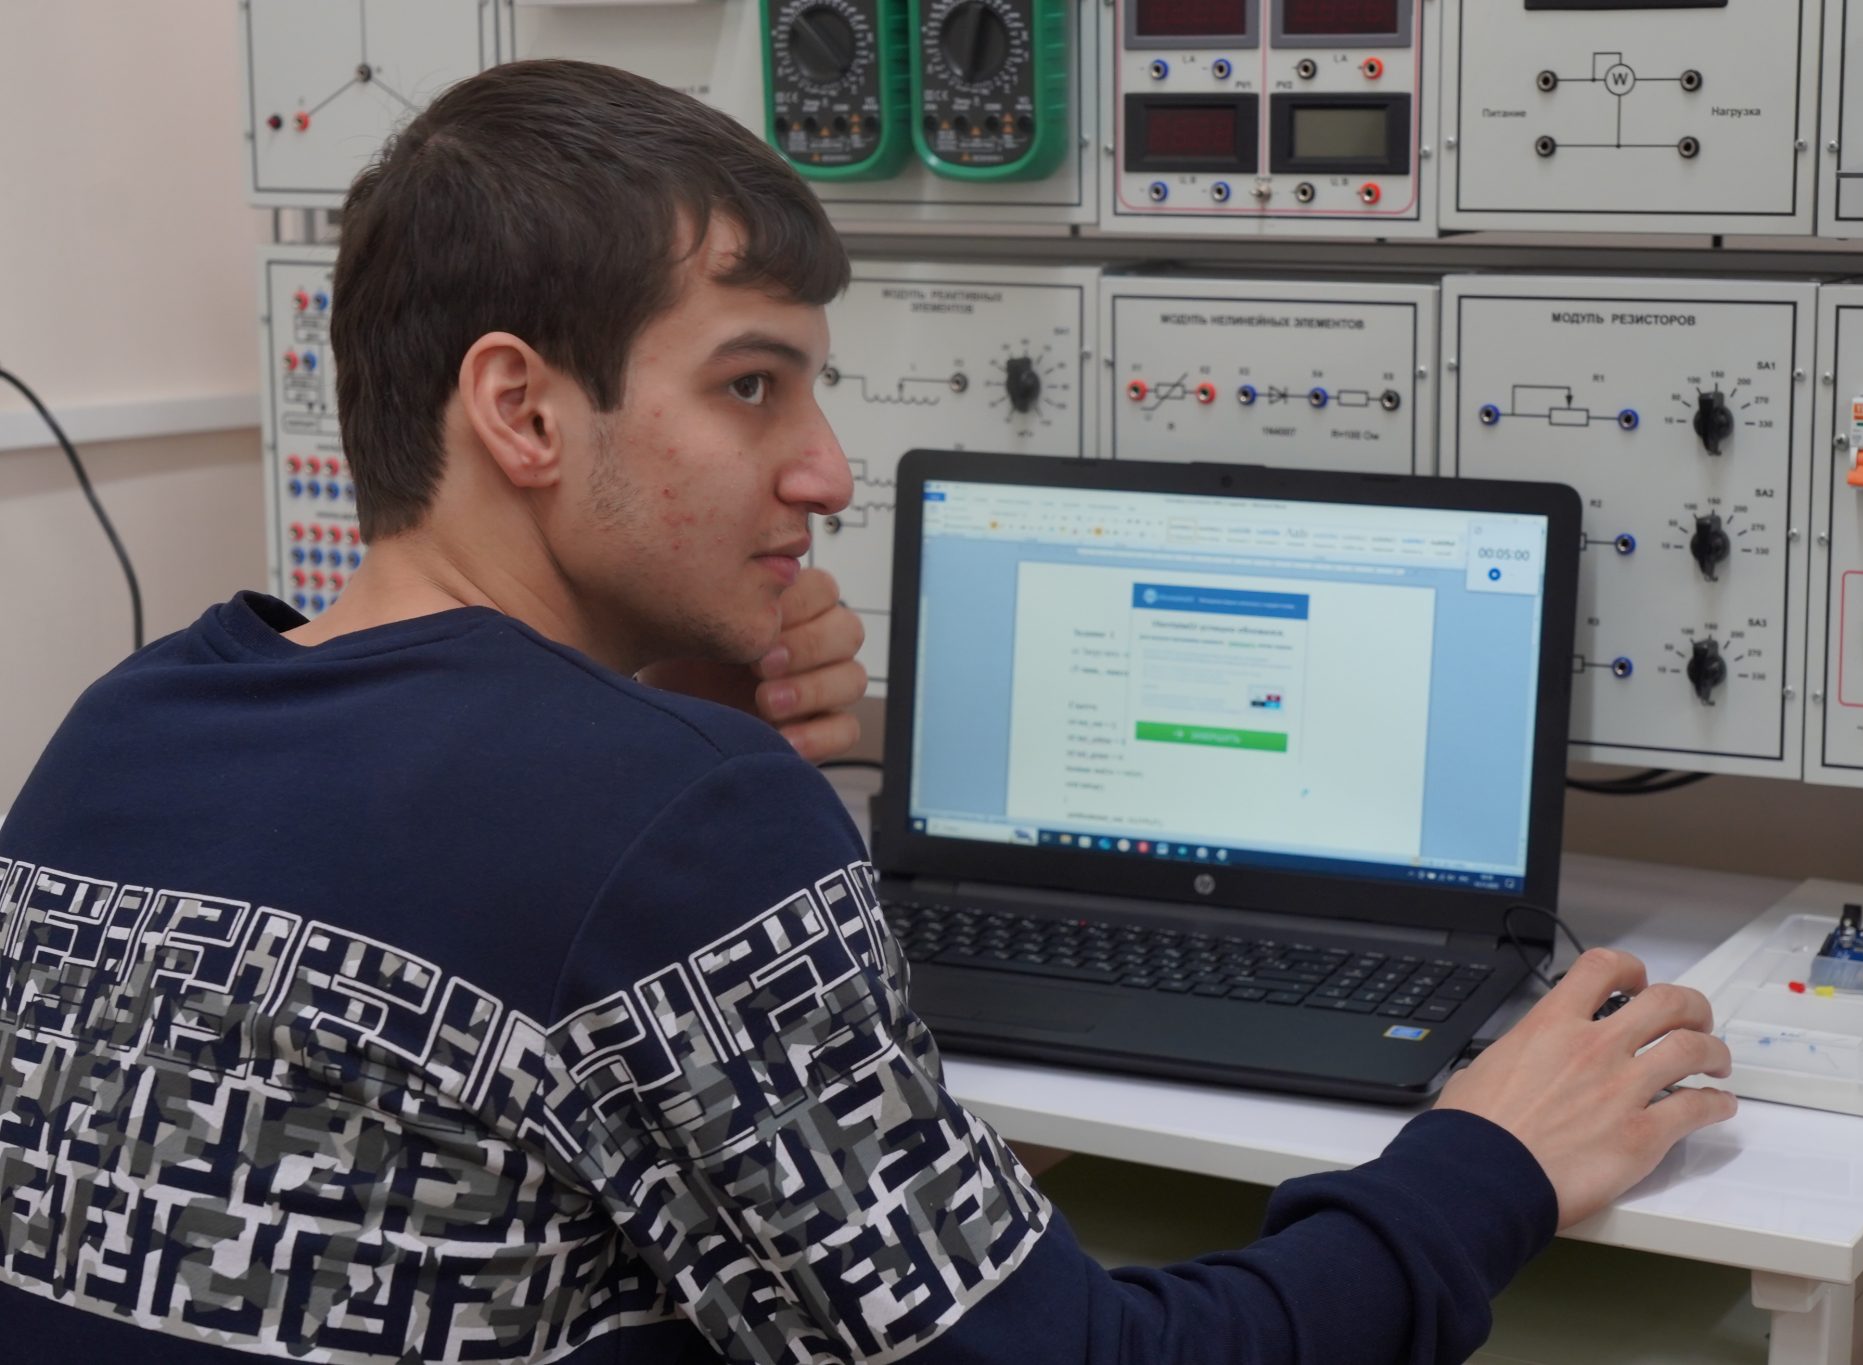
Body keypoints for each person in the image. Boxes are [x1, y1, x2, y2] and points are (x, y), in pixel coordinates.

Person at [0, 58, 1736, 1365]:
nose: (829, 472)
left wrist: (650, 721)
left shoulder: (127, 725)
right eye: (752, 385)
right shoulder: (674, 819)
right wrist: (1488, 1159)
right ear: (521, 410)